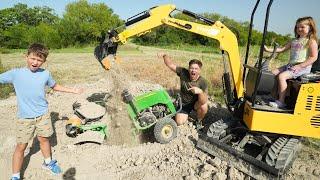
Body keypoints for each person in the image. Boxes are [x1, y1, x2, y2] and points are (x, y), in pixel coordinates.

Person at [0, 43, 83, 180]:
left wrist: (73, 90)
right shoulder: (15, 74)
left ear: (44, 61)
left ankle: (48, 162)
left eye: (39, 60)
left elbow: (55, 86)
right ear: (26, 56)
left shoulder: (45, 74)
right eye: (33, 58)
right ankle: (15, 176)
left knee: (44, 140)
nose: (35, 62)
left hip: (43, 115)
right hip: (24, 118)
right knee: (21, 146)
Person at [264, 16, 318, 108]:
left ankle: (281, 102)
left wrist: (300, 66)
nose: (299, 29)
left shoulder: (311, 41)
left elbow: (313, 57)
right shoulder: (294, 41)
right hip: (290, 66)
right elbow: (282, 49)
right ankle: (272, 96)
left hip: (302, 68)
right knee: (272, 73)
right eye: (297, 27)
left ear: (310, 28)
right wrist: (268, 49)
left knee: (282, 76)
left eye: (302, 27)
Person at [158, 52, 208, 127]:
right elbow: (170, 65)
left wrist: (200, 92)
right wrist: (164, 55)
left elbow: (204, 100)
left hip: (196, 104)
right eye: (191, 68)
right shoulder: (183, 72)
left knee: (204, 106)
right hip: (184, 103)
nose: (193, 70)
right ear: (188, 68)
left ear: (199, 70)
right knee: (179, 122)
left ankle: (199, 121)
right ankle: (183, 113)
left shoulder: (202, 82)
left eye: (196, 69)